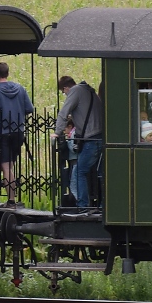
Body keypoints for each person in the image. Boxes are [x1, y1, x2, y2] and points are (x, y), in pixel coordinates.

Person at [0, 62, 34, 208]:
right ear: (8, 73)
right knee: (10, 164)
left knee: (6, 167)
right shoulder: (20, 89)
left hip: (3, 132)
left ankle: (11, 200)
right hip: (18, 132)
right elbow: (30, 108)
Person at [49, 75, 102, 208]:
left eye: (63, 92)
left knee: (79, 172)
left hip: (91, 140)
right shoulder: (89, 91)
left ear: (66, 88)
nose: (65, 94)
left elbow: (63, 112)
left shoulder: (75, 91)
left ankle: (83, 206)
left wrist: (57, 132)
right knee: (100, 173)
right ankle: (101, 205)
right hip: (100, 137)